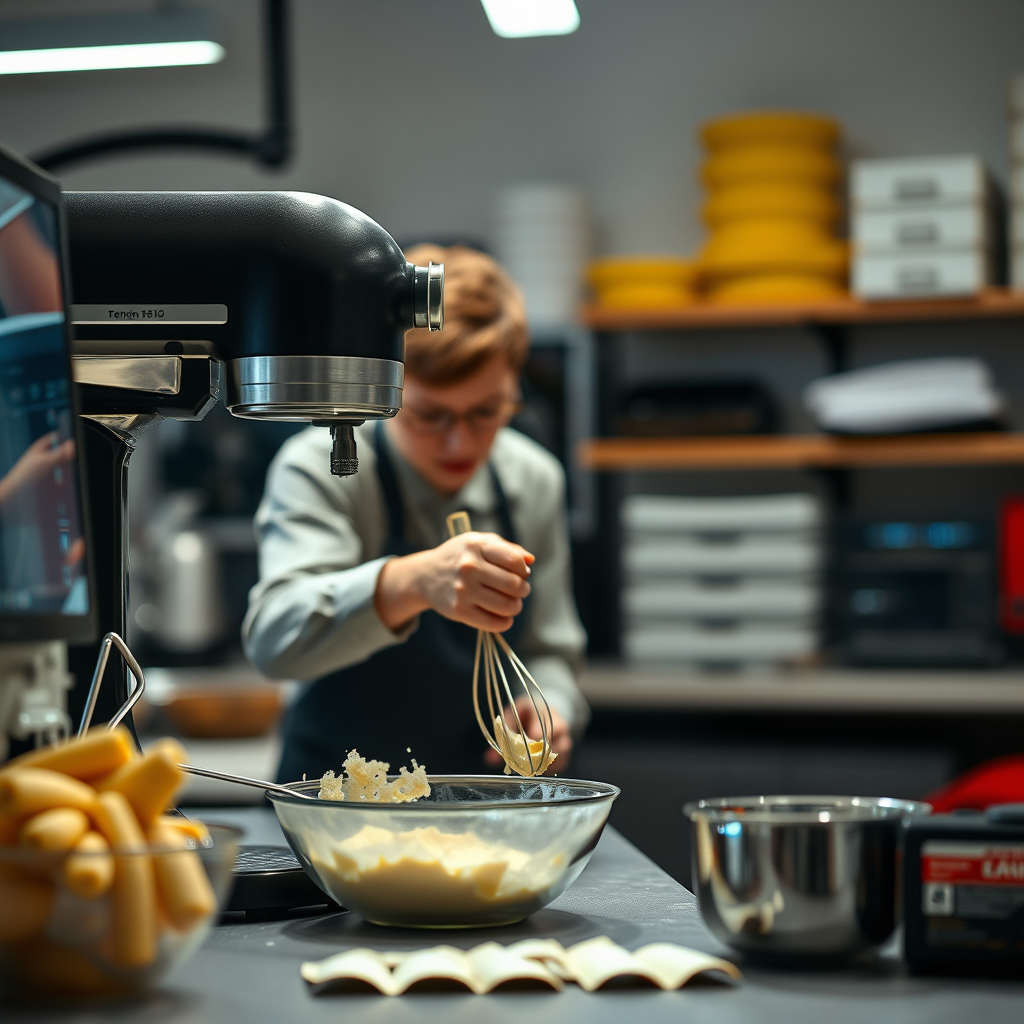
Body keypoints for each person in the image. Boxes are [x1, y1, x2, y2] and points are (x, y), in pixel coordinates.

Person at [242, 244, 589, 782]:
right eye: (430, 415)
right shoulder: (322, 466)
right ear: (389, 389)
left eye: (486, 411)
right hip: (334, 804)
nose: (459, 442)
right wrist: (415, 580)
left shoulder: (533, 479)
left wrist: (552, 710)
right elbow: (274, 640)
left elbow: (549, 648)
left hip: (480, 803)